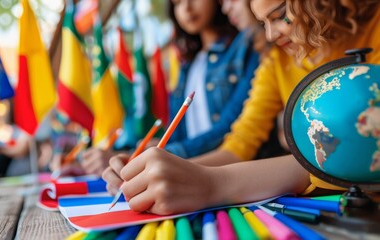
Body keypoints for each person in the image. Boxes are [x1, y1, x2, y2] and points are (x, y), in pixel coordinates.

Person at [102, 0, 380, 215]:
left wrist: (212, 183)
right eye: (263, 22)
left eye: (280, 14)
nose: (271, 34)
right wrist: (153, 172)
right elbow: (238, 145)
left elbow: (354, 155)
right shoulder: (277, 62)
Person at [80, 0, 269, 175]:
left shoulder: (245, 46)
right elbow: (175, 134)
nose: (186, 8)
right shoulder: (185, 66)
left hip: (236, 174)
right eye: (177, 2)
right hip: (193, 175)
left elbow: (230, 127)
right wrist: (137, 154)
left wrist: (166, 154)